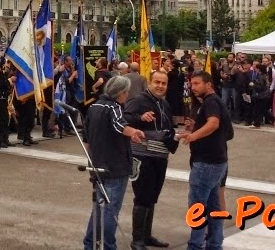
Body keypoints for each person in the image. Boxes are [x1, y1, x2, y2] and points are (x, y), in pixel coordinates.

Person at [83, 76, 144, 250]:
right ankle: (109, 245)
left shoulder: (94, 107)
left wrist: (93, 158)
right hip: (115, 167)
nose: (127, 95)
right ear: (121, 93)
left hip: (97, 165)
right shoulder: (115, 107)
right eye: (126, 92)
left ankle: (90, 244)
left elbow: (86, 139)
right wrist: (133, 131)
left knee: (99, 208)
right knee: (110, 210)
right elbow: (119, 124)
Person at [124, 70, 177, 250]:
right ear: (149, 83)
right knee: (142, 197)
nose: (160, 86)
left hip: (160, 157)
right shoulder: (138, 101)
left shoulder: (165, 104)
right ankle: (136, 240)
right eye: (157, 82)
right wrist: (140, 118)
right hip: (142, 156)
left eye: (163, 83)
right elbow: (123, 119)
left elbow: (167, 127)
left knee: (152, 197)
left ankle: (146, 237)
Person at [178, 71, 230, 250]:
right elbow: (224, 131)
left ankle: (195, 245)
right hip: (216, 161)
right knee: (213, 206)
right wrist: (195, 128)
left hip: (207, 163)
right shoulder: (212, 102)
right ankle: (214, 244)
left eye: (197, 83)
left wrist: (193, 135)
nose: (193, 87)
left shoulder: (211, 102)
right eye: (192, 84)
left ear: (208, 84)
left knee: (197, 208)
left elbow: (214, 123)